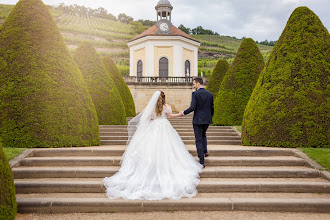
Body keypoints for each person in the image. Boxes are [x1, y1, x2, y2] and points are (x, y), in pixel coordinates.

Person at [103, 91, 203, 200]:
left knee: (150, 149)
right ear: (164, 98)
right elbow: (170, 116)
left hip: (154, 128)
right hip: (164, 127)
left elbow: (148, 118)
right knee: (167, 149)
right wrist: (180, 114)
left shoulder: (151, 108)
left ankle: (151, 169)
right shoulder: (166, 106)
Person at [179, 77, 214, 168]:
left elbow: (192, 107)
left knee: (198, 139)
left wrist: (183, 113)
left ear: (198, 83)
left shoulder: (195, 94)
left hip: (198, 120)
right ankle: (205, 151)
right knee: (203, 134)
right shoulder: (210, 94)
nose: (193, 86)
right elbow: (212, 108)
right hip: (207, 119)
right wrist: (209, 117)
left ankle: (202, 161)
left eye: (194, 84)